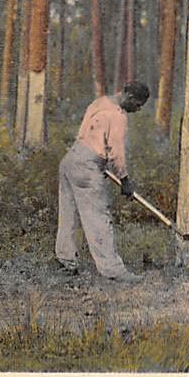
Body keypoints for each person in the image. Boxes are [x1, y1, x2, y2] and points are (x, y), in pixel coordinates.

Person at [54, 81, 150, 283]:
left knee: (68, 215)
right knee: (98, 218)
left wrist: (99, 162)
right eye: (139, 105)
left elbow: (87, 134)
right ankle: (113, 270)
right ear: (130, 98)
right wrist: (124, 180)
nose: (138, 110)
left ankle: (66, 261)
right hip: (87, 167)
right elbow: (117, 152)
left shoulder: (100, 102)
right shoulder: (118, 116)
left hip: (71, 159)